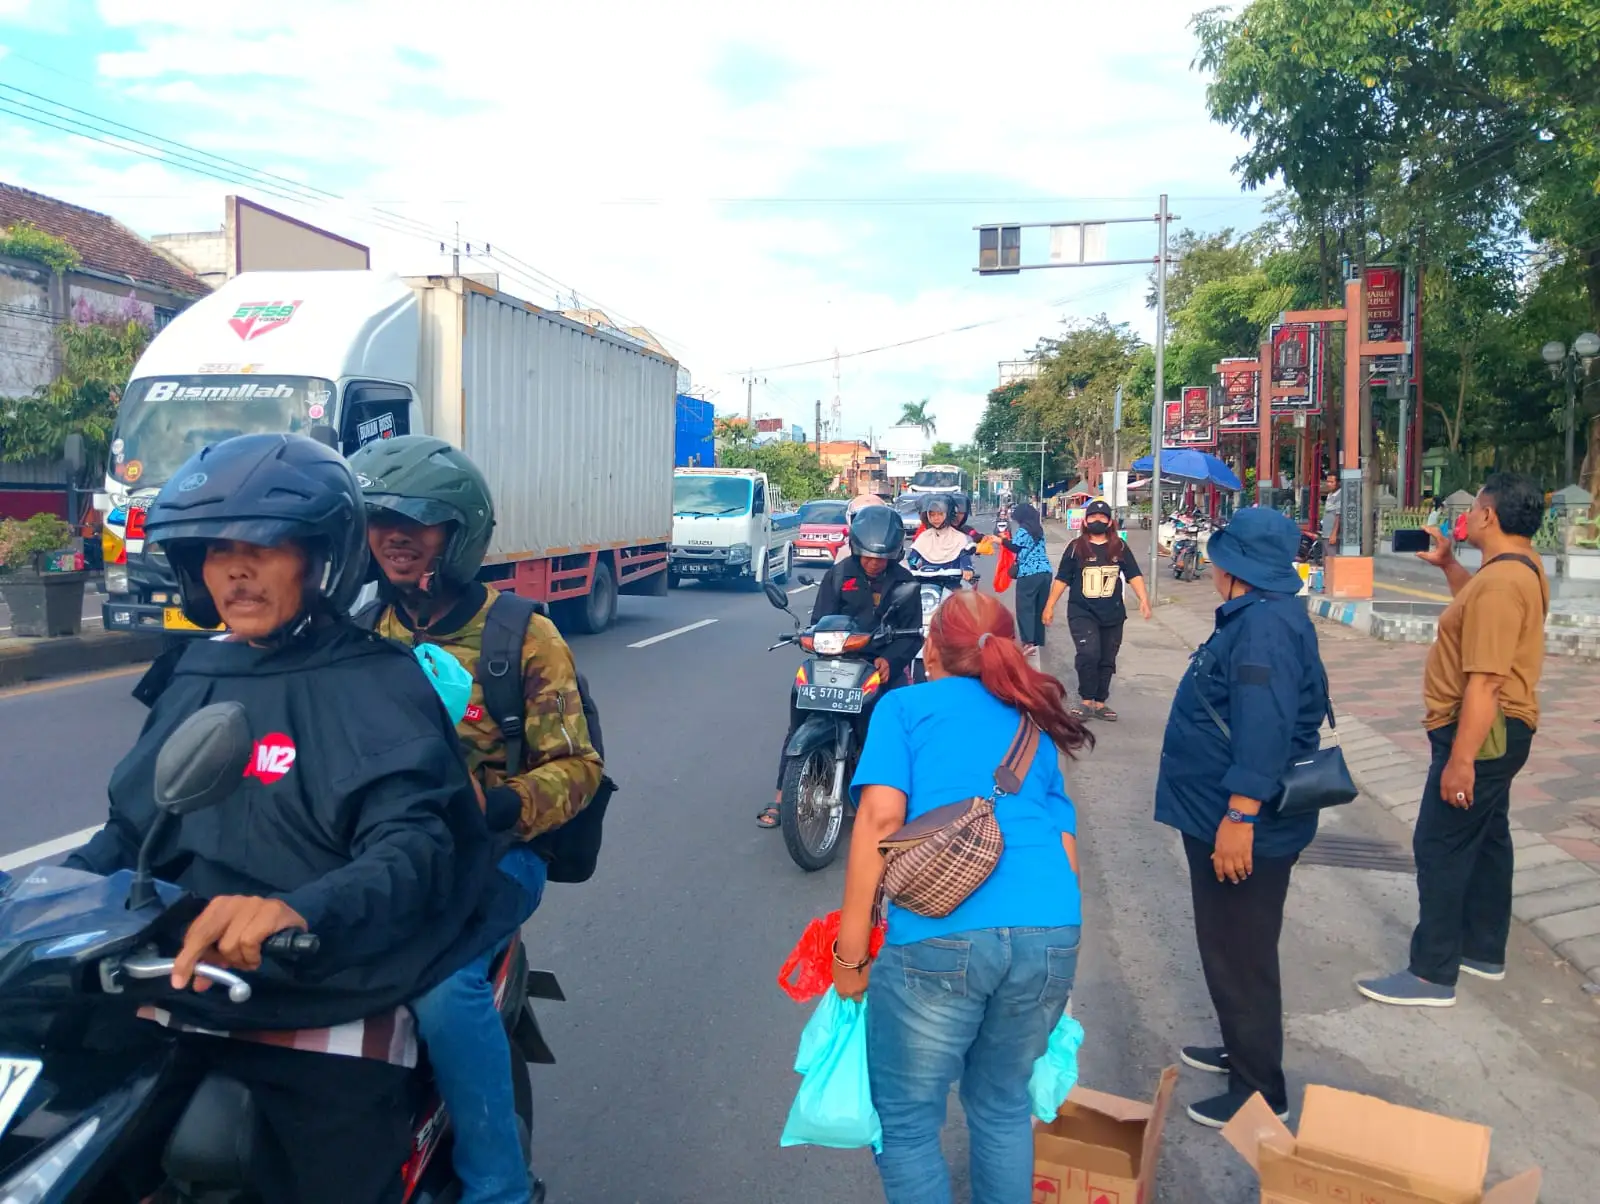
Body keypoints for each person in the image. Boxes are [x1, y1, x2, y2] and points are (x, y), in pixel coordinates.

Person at [65, 433, 527, 1204]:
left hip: (335, 980)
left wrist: (297, 908)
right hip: (182, 973)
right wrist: (40, 892)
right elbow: (129, 832)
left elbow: (412, 844)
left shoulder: (378, 682)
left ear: (321, 557)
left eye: (264, 546)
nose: (236, 569)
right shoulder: (193, 671)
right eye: (218, 549)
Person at [350, 434, 604, 1204]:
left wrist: (499, 806)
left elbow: (578, 766)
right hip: (379, 849)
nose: (394, 537)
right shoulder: (363, 627)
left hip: (497, 852)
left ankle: (499, 1186)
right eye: (381, 520)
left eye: (416, 522)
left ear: (459, 534)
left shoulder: (521, 635)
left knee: (442, 986)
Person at [830, 591, 1091, 1203]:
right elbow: (1064, 847)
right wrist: (1051, 961)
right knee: (1002, 1106)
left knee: (907, 1122)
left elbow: (879, 820)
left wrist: (850, 956)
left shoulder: (904, 708)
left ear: (932, 649)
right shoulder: (1034, 723)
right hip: (1051, 928)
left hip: (941, 936)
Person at [1153, 506, 1330, 1129]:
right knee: (1230, 945)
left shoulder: (1263, 630)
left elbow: (1264, 730)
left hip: (1243, 820)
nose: (1211, 565)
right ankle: (1242, 1048)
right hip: (1221, 811)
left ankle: (1259, 1091)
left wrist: (1240, 816)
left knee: (1240, 953)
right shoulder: (1261, 615)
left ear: (1236, 568)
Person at [1357, 473, 1549, 1007]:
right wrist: (1448, 565)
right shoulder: (1518, 568)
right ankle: (1482, 949)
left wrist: (1461, 760)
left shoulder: (1502, 582)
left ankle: (1431, 973)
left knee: (1439, 843)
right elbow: (1477, 615)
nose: (1465, 519)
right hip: (1503, 729)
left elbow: (1485, 682)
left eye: (1473, 509)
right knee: (1487, 837)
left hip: (1485, 732)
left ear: (1488, 515)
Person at [760, 504, 921, 829]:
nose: (874, 563)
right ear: (856, 549)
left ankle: (900, 798)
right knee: (799, 720)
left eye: (881, 558)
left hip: (880, 666)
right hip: (836, 662)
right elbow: (820, 621)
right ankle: (781, 796)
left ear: (894, 554)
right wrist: (812, 639)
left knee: (899, 725)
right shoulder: (838, 575)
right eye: (868, 556)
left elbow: (913, 634)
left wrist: (890, 660)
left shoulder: (905, 583)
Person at [1042, 498, 1151, 722]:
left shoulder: (1119, 547)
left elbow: (1133, 574)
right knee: (1089, 653)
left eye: (1102, 517)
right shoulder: (1076, 548)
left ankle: (1100, 702)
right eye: (1093, 516)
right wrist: (1049, 606)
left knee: (1107, 657)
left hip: (1113, 613)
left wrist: (1143, 599)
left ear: (1110, 522)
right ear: (1086, 521)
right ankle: (1086, 700)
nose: (1097, 520)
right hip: (1082, 612)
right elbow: (1062, 579)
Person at [1001, 501, 1052, 661]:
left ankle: (1028, 643)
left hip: (1029, 573)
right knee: (1039, 607)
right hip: (1045, 572)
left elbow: (1015, 547)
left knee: (1025, 608)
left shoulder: (1023, 530)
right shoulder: (1039, 529)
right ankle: (1037, 641)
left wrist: (1000, 540)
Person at [906, 493, 975, 584]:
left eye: (940, 514)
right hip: (926, 582)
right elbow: (913, 558)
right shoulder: (924, 536)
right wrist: (910, 568)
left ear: (948, 514)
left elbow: (964, 556)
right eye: (932, 515)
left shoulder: (959, 537)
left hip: (952, 582)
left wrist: (967, 568)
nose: (936, 518)